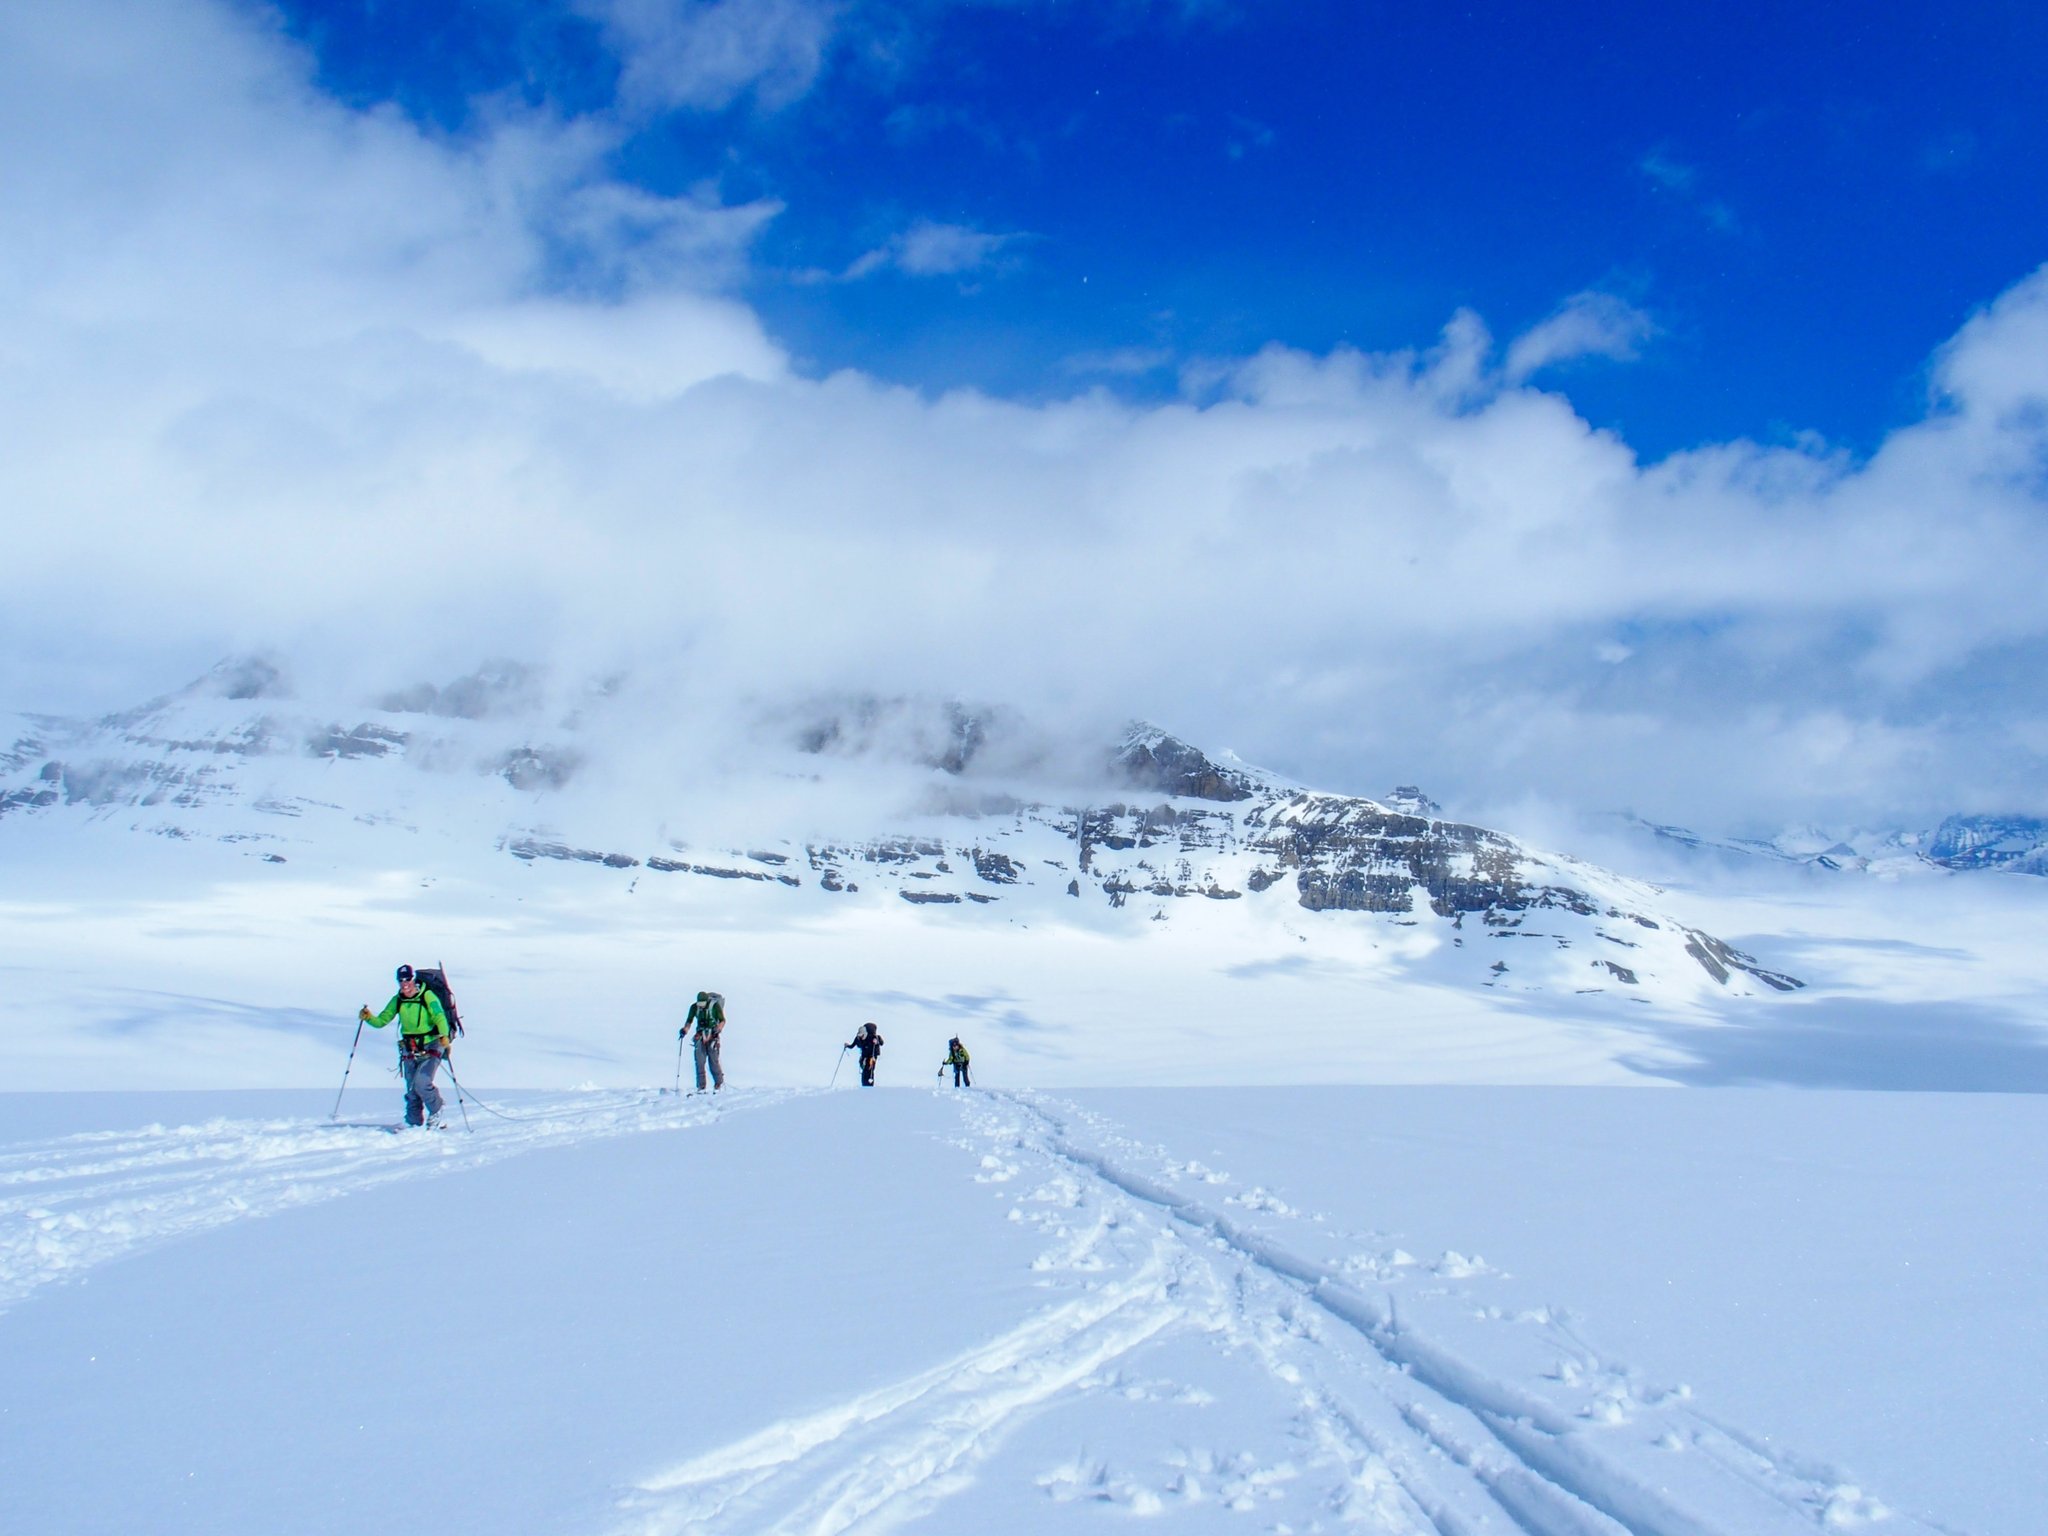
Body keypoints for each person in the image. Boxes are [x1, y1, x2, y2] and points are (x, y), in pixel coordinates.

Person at [360, 963, 451, 1128]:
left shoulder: (427, 996)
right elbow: (382, 1021)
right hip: (410, 1048)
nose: (405, 983)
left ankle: (436, 1110)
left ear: (412, 979)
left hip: (432, 1045)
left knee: (422, 1082)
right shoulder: (398, 1000)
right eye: (401, 980)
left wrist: (444, 1036)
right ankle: (413, 1123)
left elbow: (439, 1017)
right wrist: (368, 1018)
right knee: (411, 1088)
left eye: (407, 979)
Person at [681, 990, 726, 1092]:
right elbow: (689, 1021)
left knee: (713, 1061)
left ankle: (719, 1084)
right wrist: (685, 1030)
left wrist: (718, 1029)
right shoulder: (694, 1008)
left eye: (702, 1004)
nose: (700, 1006)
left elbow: (722, 1020)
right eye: (699, 1004)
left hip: (713, 1035)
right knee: (699, 1062)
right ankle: (701, 1086)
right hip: (700, 1036)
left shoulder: (714, 1007)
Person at [847, 1022, 884, 1087]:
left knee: (869, 1069)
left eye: (862, 1035)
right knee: (864, 1070)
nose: (861, 1037)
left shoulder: (873, 1037)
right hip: (864, 1055)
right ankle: (864, 1084)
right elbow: (852, 1045)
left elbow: (881, 1043)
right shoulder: (858, 1038)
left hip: (872, 1056)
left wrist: (877, 1041)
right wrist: (847, 1046)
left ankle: (869, 1085)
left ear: (865, 1033)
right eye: (860, 1035)